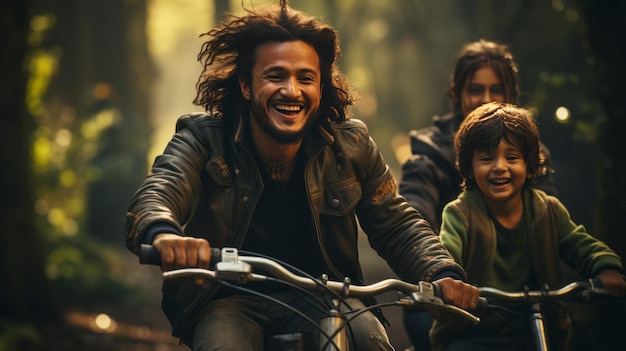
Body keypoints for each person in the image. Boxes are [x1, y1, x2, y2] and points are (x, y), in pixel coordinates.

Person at [124, 1, 479, 350]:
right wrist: (164, 233)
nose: (291, 91)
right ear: (246, 86)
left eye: (305, 78)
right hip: (228, 297)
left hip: (327, 294)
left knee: (369, 339)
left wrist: (440, 271)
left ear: (320, 88)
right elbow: (160, 191)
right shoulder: (205, 139)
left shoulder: (352, 145)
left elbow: (397, 223)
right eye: (275, 76)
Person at [400, 39, 558, 350]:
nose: (486, 100)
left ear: (510, 95)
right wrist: (440, 271)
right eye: (475, 89)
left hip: (518, 302)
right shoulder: (428, 155)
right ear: (456, 93)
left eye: (496, 90)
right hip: (445, 296)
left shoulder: (533, 156)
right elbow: (412, 215)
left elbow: (550, 225)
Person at [429, 102, 626, 351]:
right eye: (487, 158)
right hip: (472, 330)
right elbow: (448, 253)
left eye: (511, 157)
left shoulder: (547, 210)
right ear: (469, 167)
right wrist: (448, 281)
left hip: (536, 328)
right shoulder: (460, 213)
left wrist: (605, 267)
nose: (499, 166)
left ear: (529, 164)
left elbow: (578, 243)